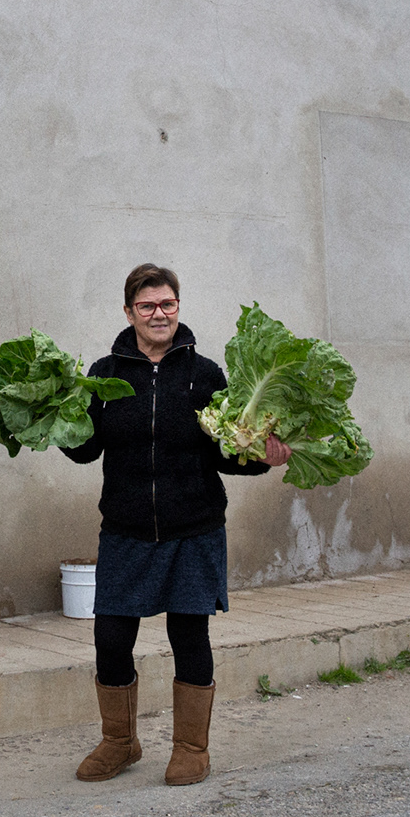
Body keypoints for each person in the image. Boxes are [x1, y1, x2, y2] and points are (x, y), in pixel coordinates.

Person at [62, 263, 289, 786]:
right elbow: (85, 450)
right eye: (147, 306)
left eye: (167, 304)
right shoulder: (104, 373)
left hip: (194, 528)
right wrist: (57, 421)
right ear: (128, 313)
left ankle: (191, 748)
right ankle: (120, 741)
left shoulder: (205, 374)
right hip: (125, 529)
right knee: (111, 640)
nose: (158, 313)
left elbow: (227, 452)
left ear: (178, 308)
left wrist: (263, 458)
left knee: (190, 636)